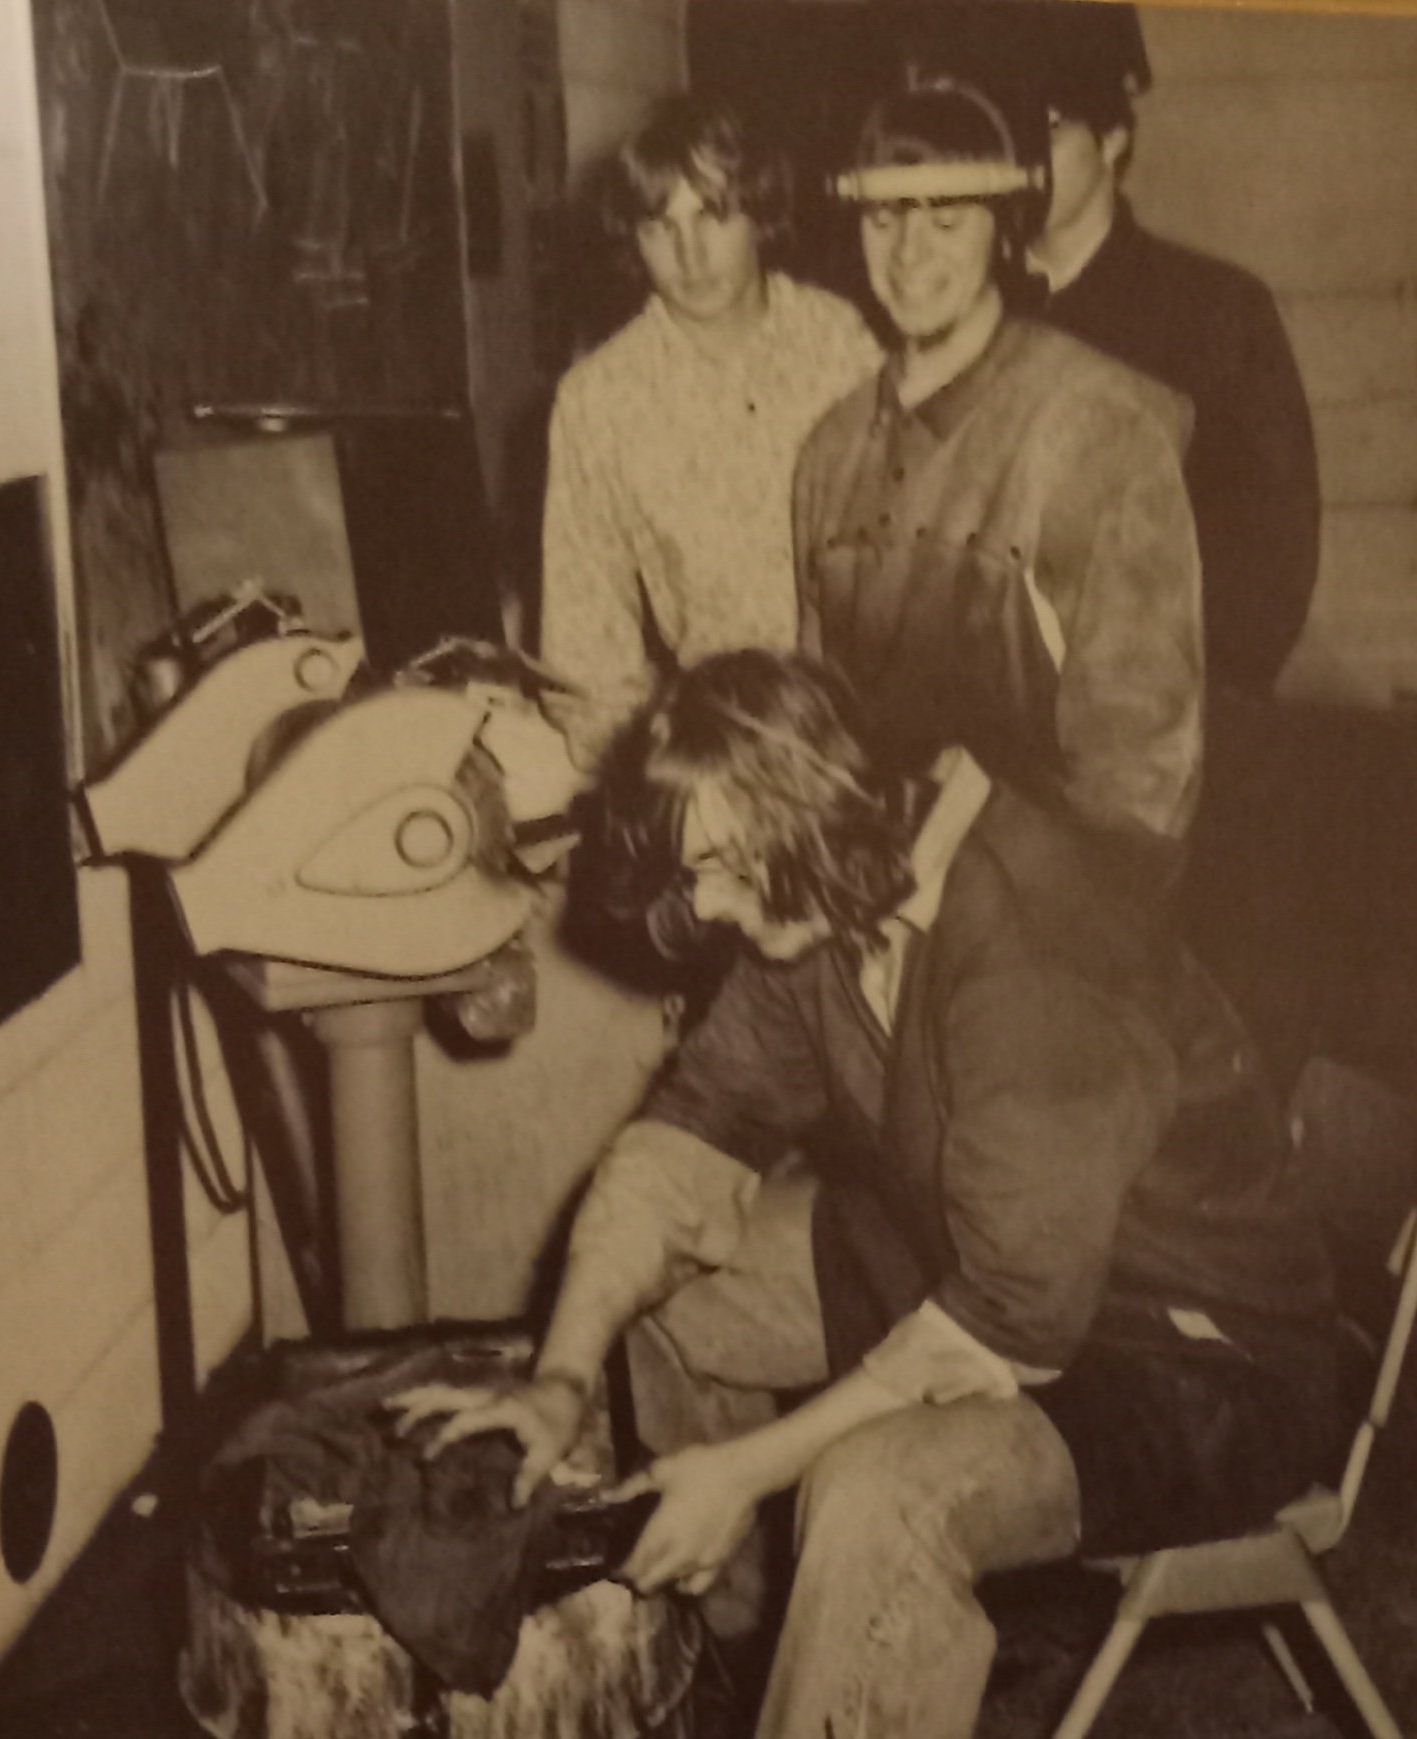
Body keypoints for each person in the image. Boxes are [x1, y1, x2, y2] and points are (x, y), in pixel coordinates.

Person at [390, 649, 1340, 1739]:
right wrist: (558, 1375)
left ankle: (825, 1658)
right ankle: (762, 1670)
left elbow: (1011, 1316)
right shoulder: (830, 887)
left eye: (717, 866)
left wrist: (749, 1467)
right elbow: (688, 1132)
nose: (702, 903)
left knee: (875, 1492)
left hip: (1195, 1361)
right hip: (976, 1260)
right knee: (665, 1305)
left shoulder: (1034, 946)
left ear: (805, 810)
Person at [793, 71, 1203, 886]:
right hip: (861, 893)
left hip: (1041, 923)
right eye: (884, 219)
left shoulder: (1095, 430)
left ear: (1006, 231)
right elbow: (815, 720)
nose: (911, 254)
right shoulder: (830, 451)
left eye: (947, 220)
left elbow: (1140, 779)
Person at [539, 95, 881, 768]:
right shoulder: (600, 399)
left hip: (870, 731)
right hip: (718, 752)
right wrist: (650, 785)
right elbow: (586, 645)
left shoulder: (845, 347)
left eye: (711, 215)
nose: (689, 254)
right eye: (659, 227)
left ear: (758, 213)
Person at [1020, 2, 1321, 694]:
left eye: (1053, 132)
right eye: (1014, 138)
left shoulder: (1218, 313)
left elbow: (1270, 561)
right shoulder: (970, 312)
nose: (1029, 165)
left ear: (1114, 138)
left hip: (1170, 722)